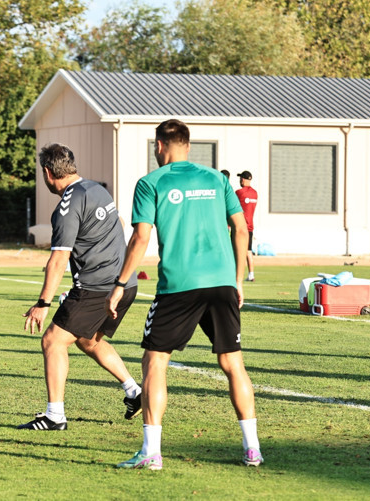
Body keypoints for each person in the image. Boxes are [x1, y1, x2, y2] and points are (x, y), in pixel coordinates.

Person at [107, 119, 261, 470]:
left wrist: (120, 284)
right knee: (232, 363)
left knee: (155, 361)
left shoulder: (150, 183)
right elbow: (240, 228)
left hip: (179, 285)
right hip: (222, 282)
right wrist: (237, 279)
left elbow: (140, 238)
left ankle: (152, 451)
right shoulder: (218, 180)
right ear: (188, 146)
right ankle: (252, 449)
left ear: (159, 146)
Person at [19, 144, 141, 431]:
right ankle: (135, 393)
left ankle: (54, 416)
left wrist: (43, 303)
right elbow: (119, 222)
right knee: (89, 340)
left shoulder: (66, 205)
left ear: (48, 173)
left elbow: (59, 258)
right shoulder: (97, 189)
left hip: (96, 288)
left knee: (52, 341)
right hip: (126, 283)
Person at [236, 171, 258, 282]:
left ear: (244, 179)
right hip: (250, 226)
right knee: (248, 251)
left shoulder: (239, 192)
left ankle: (236, 274)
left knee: (238, 251)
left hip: (240, 226)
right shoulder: (255, 193)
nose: (240, 181)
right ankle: (251, 274)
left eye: (241, 178)